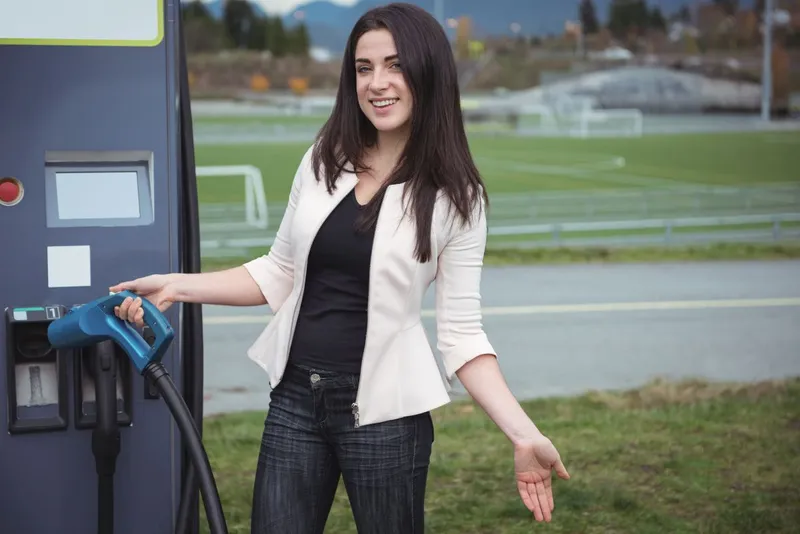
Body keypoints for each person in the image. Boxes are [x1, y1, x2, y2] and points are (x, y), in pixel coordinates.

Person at [110, 3, 570, 532]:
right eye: (363, 67)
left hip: (387, 417)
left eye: (395, 65)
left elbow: (461, 336)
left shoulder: (456, 198)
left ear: (429, 72)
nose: (378, 83)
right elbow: (279, 272)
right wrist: (178, 284)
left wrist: (522, 433)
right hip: (295, 403)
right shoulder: (325, 157)